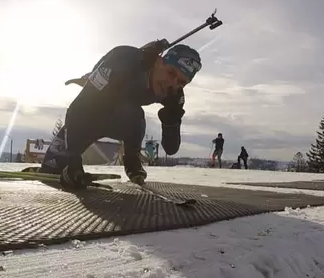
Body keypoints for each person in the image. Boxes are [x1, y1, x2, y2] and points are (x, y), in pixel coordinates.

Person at [39, 40, 202, 190]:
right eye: (171, 73)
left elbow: (171, 149)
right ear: (159, 62)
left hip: (121, 117)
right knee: (51, 169)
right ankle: (59, 160)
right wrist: (72, 156)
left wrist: (172, 119)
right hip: (89, 112)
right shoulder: (123, 61)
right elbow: (78, 108)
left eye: (181, 82)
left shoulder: (174, 94)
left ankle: (132, 160)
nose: (172, 84)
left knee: (134, 113)